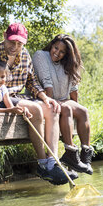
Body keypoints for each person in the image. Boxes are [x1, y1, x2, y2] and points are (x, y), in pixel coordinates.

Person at [0, 23, 75, 185]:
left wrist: (46, 98)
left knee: (51, 108)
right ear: (4, 36)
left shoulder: (24, 55)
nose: (15, 47)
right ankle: (42, 163)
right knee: (36, 109)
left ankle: (53, 162)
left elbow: (32, 82)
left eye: (19, 43)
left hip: (14, 97)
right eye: (12, 42)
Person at [32, 34, 94, 175]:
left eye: (62, 52)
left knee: (83, 111)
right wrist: (53, 104)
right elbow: (47, 84)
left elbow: (73, 89)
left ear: (66, 54)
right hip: (44, 99)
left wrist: (76, 110)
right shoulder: (41, 56)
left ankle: (85, 158)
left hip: (63, 100)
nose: (57, 53)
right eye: (55, 48)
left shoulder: (69, 63)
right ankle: (70, 153)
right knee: (65, 108)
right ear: (51, 45)